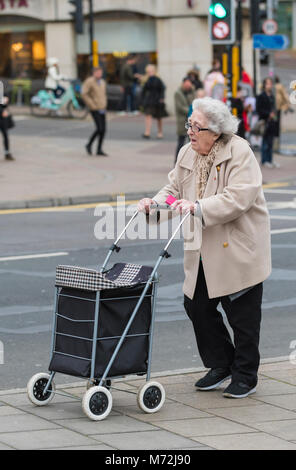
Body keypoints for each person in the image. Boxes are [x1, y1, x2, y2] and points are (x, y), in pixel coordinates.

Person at [138, 97, 271, 399]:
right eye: (189, 124)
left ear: (216, 131)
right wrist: (154, 205)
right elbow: (173, 190)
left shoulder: (239, 152)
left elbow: (239, 198)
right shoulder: (188, 153)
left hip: (238, 247)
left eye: (196, 127)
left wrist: (198, 207)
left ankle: (246, 375)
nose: (190, 132)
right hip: (203, 247)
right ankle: (221, 363)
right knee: (196, 305)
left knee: (243, 317)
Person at [82, 66, 108, 156]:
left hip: (102, 108)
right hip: (95, 108)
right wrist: (91, 104)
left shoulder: (103, 82)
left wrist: (104, 105)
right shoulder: (89, 81)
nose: (100, 74)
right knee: (99, 128)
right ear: (94, 73)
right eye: (98, 72)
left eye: (101, 72)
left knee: (103, 130)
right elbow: (84, 94)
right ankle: (89, 145)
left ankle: (99, 149)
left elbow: (103, 95)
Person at [256, 77, 278, 168]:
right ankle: (264, 160)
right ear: (264, 85)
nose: (270, 85)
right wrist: (268, 114)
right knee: (265, 142)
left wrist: (274, 116)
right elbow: (258, 109)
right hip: (265, 121)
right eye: (268, 83)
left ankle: (270, 160)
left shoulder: (272, 96)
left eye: (271, 83)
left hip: (272, 122)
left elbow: (274, 108)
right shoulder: (261, 96)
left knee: (271, 142)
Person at [140, 64, 167, 139]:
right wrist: (142, 100)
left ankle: (160, 132)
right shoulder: (146, 80)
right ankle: (147, 132)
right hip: (149, 100)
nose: (150, 73)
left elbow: (162, 89)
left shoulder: (158, 80)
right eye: (148, 72)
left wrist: (162, 98)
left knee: (159, 117)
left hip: (157, 100)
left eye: (151, 71)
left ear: (154, 71)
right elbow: (143, 91)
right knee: (148, 116)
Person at [174, 77, 195, 163]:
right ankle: (177, 161)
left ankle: (190, 161)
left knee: (192, 142)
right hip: (182, 121)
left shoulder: (192, 92)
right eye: (186, 84)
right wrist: (191, 111)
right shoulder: (178, 93)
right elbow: (180, 107)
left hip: (191, 121)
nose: (187, 86)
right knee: (181, 142)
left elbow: (194, 102)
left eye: (189, 84)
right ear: (183, 83)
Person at [274, 76, 292, 151]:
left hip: (272, 107)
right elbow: (285, 95)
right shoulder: (280, 86)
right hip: (277, 107)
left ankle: (274, 144)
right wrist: (288, 104)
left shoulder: (272, 86)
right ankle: (276, 145)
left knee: (274, 125)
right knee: (277, 125)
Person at [0, 97, 14, 161]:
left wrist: (5, 101)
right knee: (5, 136)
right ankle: (7, 153)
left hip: (2, 121)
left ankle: (7, 153)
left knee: (5, 136)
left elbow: (4, 105)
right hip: (2, 117)